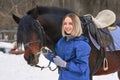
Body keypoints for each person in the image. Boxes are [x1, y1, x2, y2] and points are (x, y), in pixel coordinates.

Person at [41, 13, 91, 80]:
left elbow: (82, 67)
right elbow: (58, 59)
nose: (67, 26)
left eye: (70, 23)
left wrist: (65, 64)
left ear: (76, 25)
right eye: (65, 23)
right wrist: (48, 54)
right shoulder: (62, 42)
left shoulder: (82, 45)